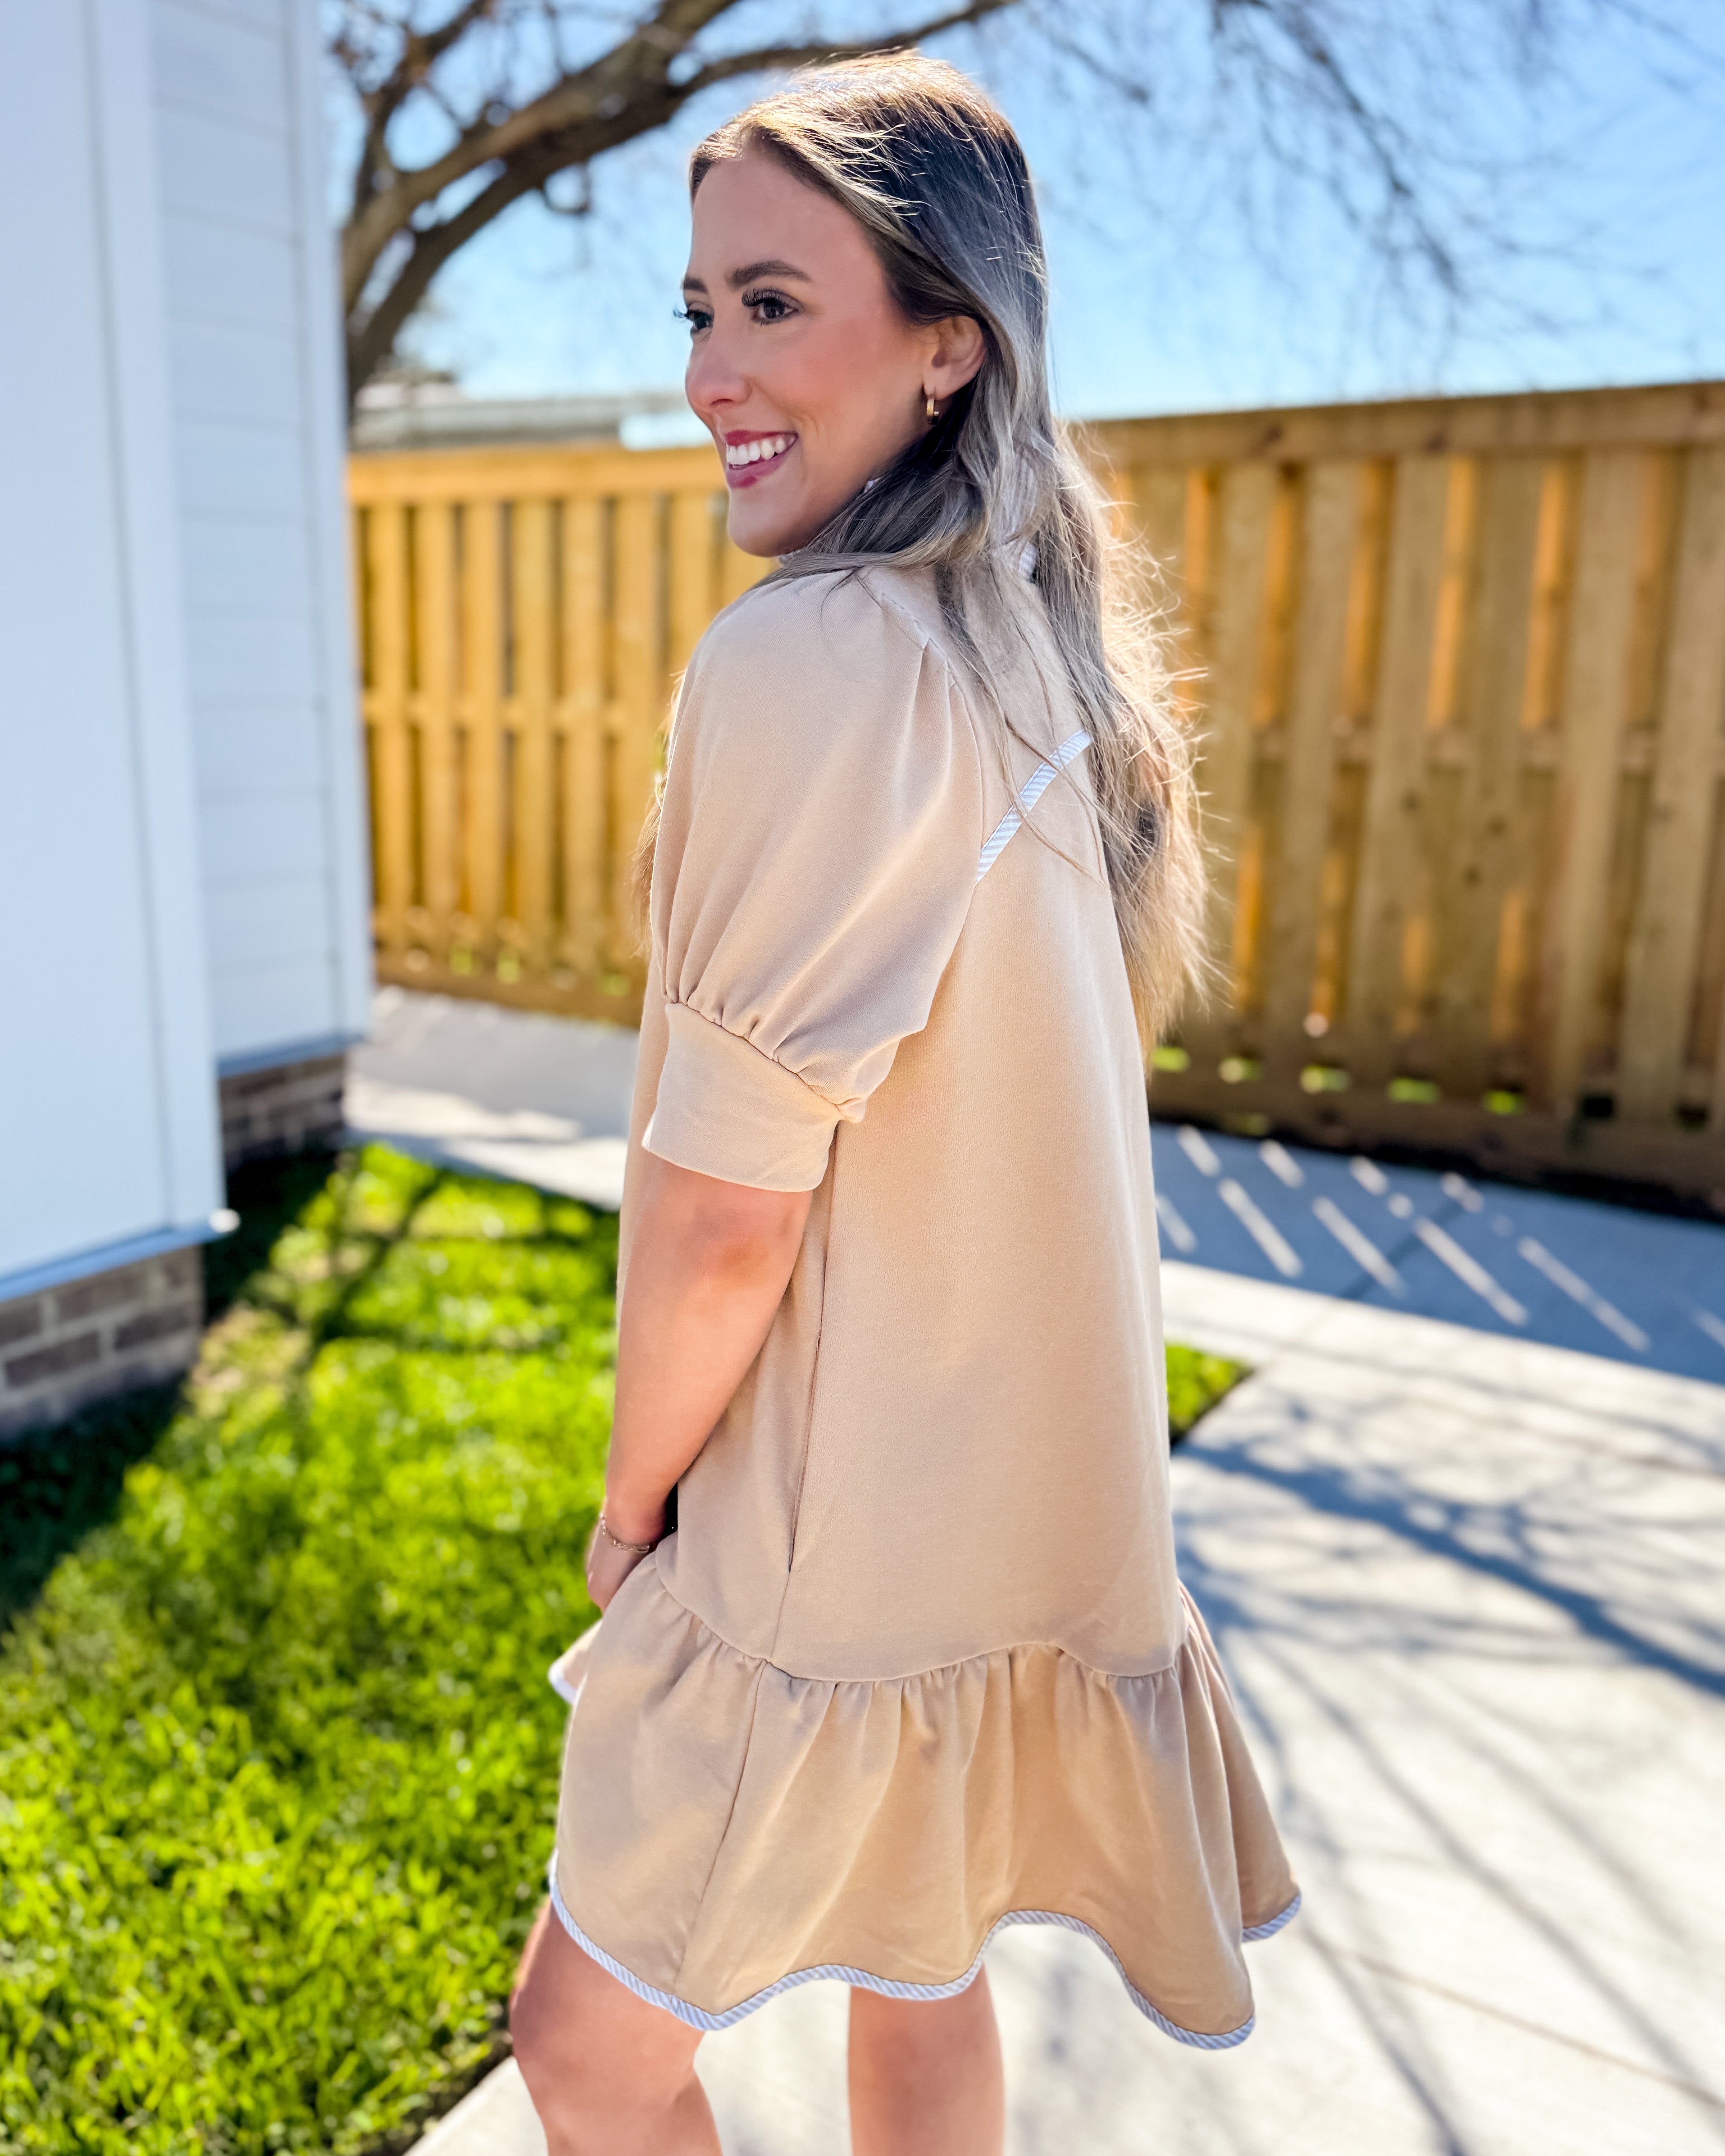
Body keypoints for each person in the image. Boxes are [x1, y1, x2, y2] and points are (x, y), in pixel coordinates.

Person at [508, 52, 1298, 2156]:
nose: (713, 369)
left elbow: (727, 1214)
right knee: (920, 1969)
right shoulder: (1042, 661)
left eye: (776, 302)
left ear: (952, 344)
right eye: (700, 307)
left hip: (830, 1549)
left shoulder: (815, 660)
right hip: (1010, 1522)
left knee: (584, 2046)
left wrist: (635, 1501)